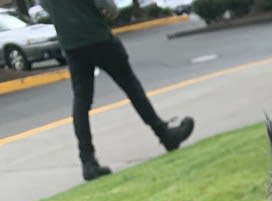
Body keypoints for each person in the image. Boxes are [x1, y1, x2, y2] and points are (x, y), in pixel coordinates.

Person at [43, 0, 194, 181]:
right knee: (131, 86)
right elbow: (109, 7)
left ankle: (88, 161)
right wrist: (106, 13)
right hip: (98, 37)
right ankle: (164, 134)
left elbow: (45, 6)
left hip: (72, 45)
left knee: (81, 101)